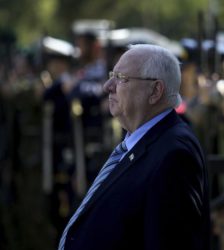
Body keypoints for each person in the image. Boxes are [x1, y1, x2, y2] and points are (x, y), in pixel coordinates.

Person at [58, 44, 210, 250]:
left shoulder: (174, 154)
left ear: (155, 91)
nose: (107, 86)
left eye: (121, 78)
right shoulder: (141, 141)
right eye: (112, 75)